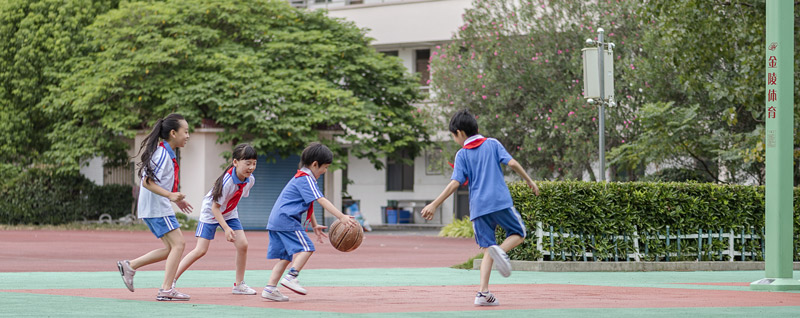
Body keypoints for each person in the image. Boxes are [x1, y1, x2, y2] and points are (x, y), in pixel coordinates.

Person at [420, 109, 539, 307]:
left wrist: (434, 203)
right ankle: (500, 251)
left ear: (459, 132)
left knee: (487, 250)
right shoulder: (492, 144)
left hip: (478, 209)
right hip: (499, 202)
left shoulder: (462, 154)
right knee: (519, 233)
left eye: (453, 135)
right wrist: (530, 182)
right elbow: (513, 163)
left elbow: (455, 183)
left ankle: (483, 293)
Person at [261, 142, 359, 302]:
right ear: (315, 164)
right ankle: (291, 277)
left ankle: (270, 288)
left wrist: (314, 224)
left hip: (276, 220)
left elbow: (309, 202)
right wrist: (341, 216)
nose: (325, 171)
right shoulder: (305, 179)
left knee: (285, 257)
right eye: (325, 167)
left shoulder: (301, 177)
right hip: (286, 219)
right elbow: (320, 199)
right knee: (307, 247)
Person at [117, 113, 194, 301]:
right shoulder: (161, 155)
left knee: (171, 248)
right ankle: (166, 289)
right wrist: (170, 195)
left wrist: (175, 198)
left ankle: (130, 265)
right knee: (179, 244)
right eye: (186, 131)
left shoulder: (166, 152)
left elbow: (159, 181)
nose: (188, 135)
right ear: (173, 133)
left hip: (154, 206)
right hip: (157, 207)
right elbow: (146, 182)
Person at [173, 144, 258, 295]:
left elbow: (235, 200)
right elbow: (215, 208)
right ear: (235, 162)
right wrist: (226, 228)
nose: (251, 167)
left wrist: (229, 222)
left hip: (229, 212)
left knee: (243, 245)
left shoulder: (250, 180)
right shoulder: (227, 182)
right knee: (200, 250)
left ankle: (239, 285)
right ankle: (170, 280)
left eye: (254, 163)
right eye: (247, 163)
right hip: (211, 213)